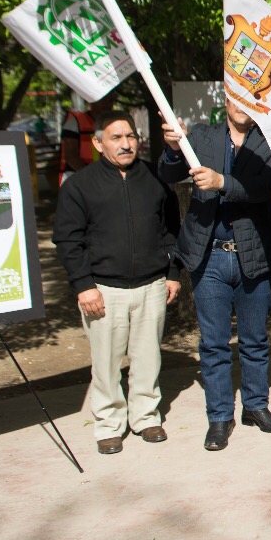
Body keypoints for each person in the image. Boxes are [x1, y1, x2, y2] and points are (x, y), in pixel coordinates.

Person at [159, 96, 271, 451]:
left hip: (254, 255)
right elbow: (169, 175)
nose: (243, 105)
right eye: (237, 97)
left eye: (252, 99)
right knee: (214, 344)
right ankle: (219, 417)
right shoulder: (202, 136)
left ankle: (255, 407)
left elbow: (265, 188)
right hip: (210, 257)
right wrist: (174, 149)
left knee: (254, 341)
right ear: (226, 98)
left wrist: (221, 181)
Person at [53, 111, 180, 454]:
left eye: (130, 137)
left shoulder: (155, 178)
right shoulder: (80, 185)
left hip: (152, 285)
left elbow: (170, 229)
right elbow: (68, 239)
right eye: (116, 137)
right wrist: (83, 284)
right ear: (98, 143)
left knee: (147, 357)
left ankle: (146, 416)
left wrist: (172, 274)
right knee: (106, 362)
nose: (125, 144)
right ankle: (109, 423)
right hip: (103, 290)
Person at [59, 92, 115, 185]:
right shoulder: (75, 122)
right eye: (104, 100)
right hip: (77, 178)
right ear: (92, 102)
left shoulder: (113, 124)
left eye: (110, 100)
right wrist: (91, 175)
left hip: (103, 178)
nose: (108, 104)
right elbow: (70, 156)